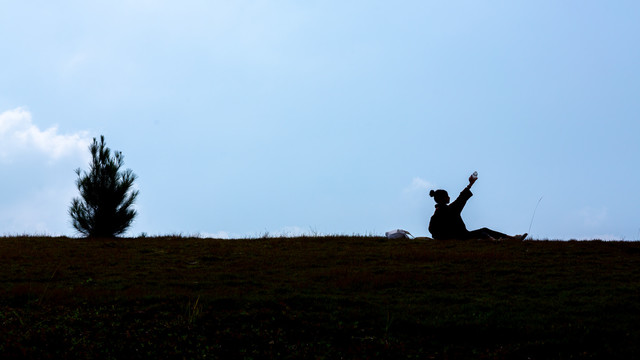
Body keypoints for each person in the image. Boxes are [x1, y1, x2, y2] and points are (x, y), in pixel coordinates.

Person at [428, 173, 527, 241]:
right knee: (483, 232)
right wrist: (470, 184)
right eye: (447, 196)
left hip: (456, 237)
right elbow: (461, 198)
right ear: (444, 198)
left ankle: (511, 239)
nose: (449, 197)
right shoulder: (451, 209)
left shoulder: (437, 213)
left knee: (484, 231)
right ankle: (512, 239)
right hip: (462, 237)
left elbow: (431, 230)